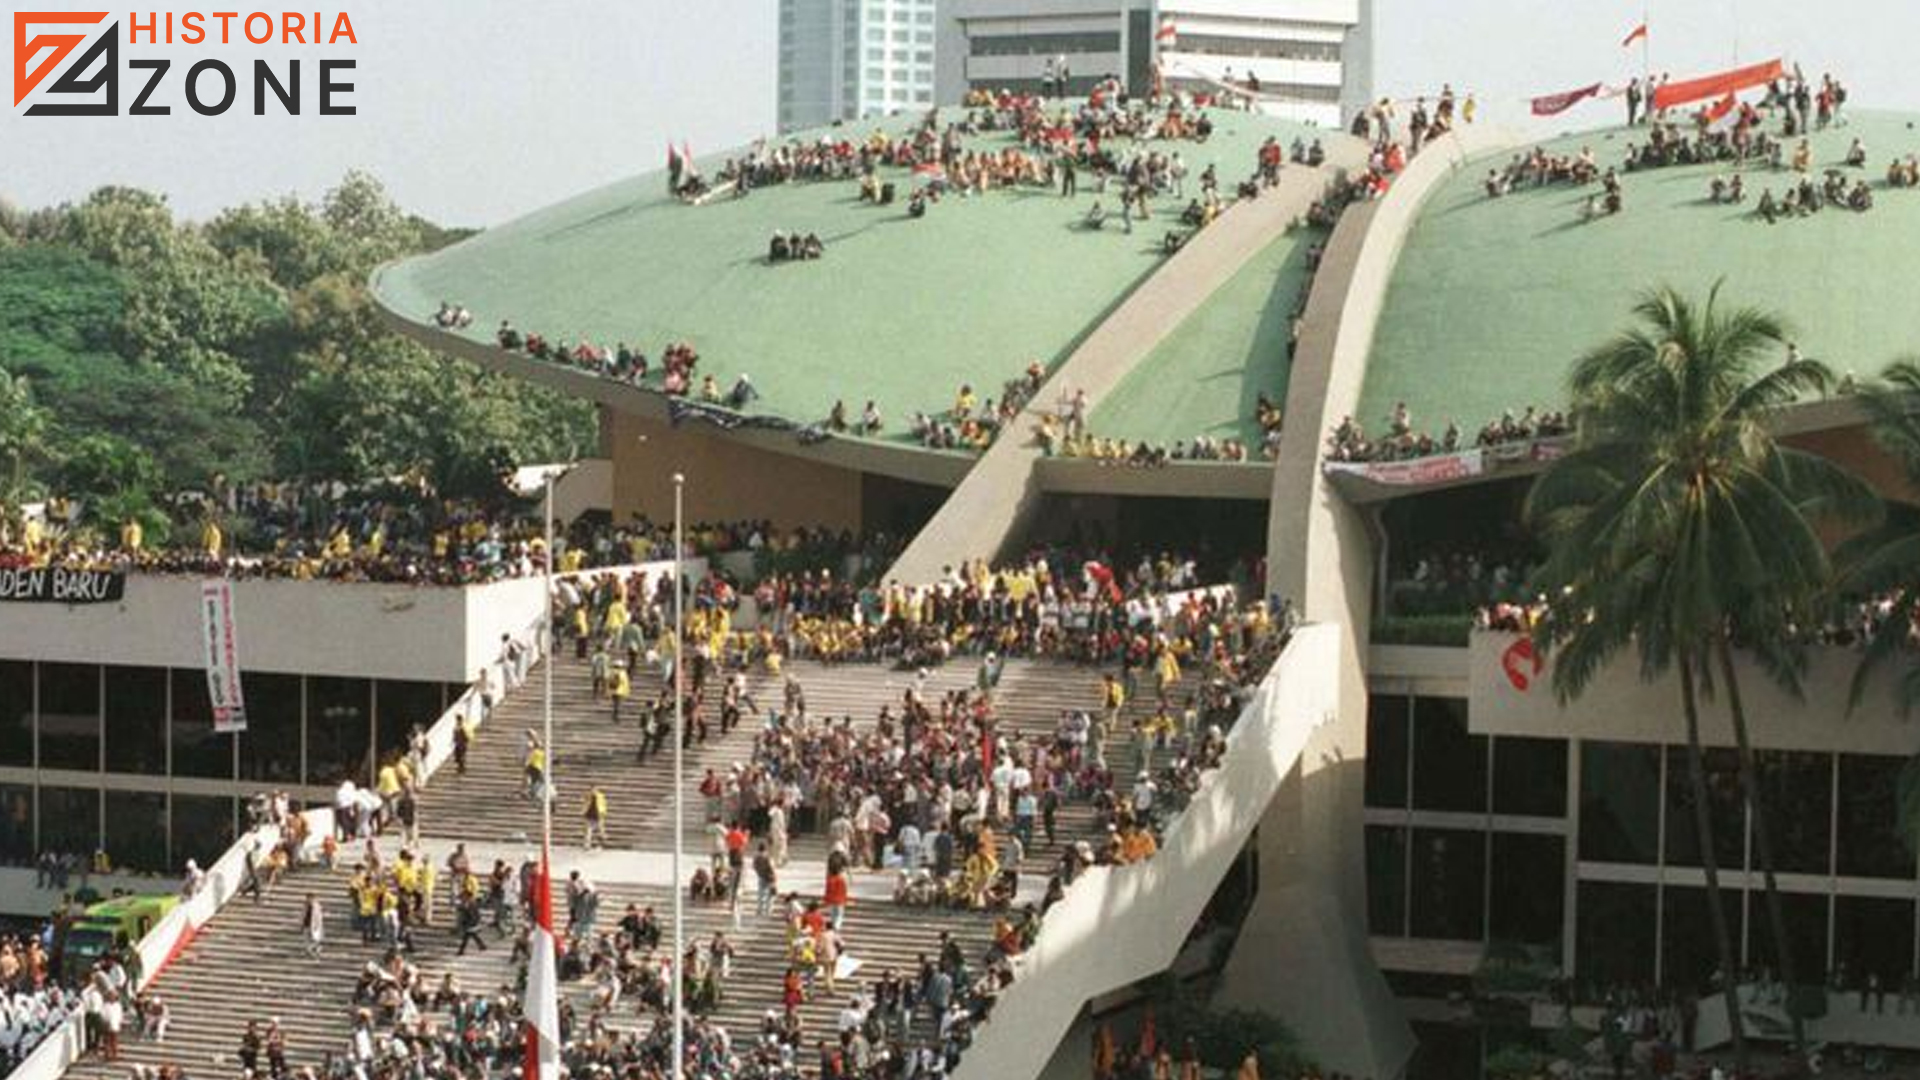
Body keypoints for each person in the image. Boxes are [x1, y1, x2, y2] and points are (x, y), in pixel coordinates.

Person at [301, 892, 324, 957]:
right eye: (307, 898)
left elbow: (319, 916)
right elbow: (302, 915)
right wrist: (301, 923)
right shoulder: (305, 905)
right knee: (306, 939)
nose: (308, 899)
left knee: (315, 939)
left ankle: (316, 949)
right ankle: (309, 950)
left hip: (313, 925)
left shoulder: (316, 906)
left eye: (310, 898)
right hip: (306, 924)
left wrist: (318, 925)